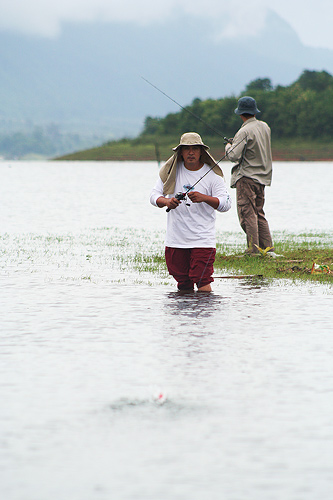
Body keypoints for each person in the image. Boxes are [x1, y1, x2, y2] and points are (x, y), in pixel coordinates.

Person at [150, 132, 231, 292]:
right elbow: (153, 196)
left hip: (202, 240)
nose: (191, 152)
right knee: (183, 284)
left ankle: (204, 316)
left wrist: (204, 198)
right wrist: (167, 201)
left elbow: (226, 204)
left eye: (195, 148)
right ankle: (184, 317)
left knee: (202, 281)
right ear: (180, 152)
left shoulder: (213, 175)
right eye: (187, 149)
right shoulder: (170, 171)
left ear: (202, 151)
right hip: (176, 241)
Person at [225, 96, 275, 256]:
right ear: (254, 111)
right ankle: (267, 249)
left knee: (247, 213)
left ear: (240, 113)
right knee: (259, 212)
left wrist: (228, 146)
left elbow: (233, 156)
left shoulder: (244, 130)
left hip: (246, 177)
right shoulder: (265, 126)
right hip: (262, 177)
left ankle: (253, 250)